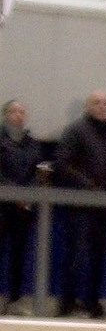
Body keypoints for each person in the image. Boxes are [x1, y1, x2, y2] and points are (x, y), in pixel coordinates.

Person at [54, 90, 106, 318]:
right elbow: (62, 164)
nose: (103, 106)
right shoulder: (75, 131)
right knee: (76, 256)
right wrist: (88, 185)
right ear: (88, 107)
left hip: (102, 207)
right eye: (98, 103)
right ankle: (67, 302)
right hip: (80, 206)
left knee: (99, 256)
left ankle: (92, 301)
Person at [1, 99, 43, 314]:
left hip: (23, 209)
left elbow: (39, 171)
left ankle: (15, 299)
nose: (18, 115)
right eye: (14, 111)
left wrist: (27, 194)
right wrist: (13, 193)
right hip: (2, 206)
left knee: (19, 255)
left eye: (22, 111)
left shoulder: (31, 142)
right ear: (5, 115)